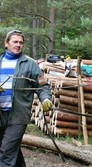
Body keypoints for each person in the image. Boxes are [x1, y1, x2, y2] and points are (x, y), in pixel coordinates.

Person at [0, 30, 53, 167]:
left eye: (21, 43)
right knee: (11, 150)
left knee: (5, 153)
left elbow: (42, 86)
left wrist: (46, 99)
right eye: (15, 42)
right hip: (1, 115)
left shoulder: (30, 64)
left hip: (18, 116)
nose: (18, 45)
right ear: (6, 43)